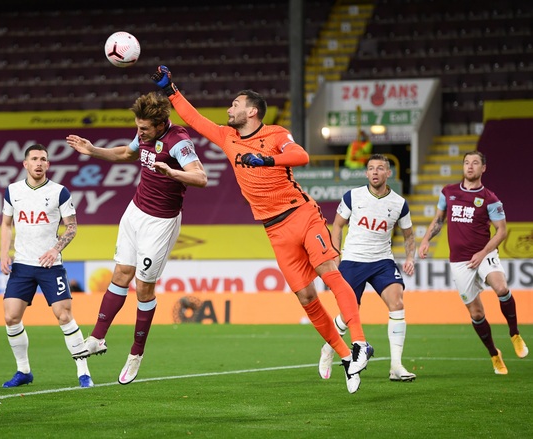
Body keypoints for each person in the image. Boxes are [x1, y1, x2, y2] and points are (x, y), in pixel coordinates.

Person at [151, 65, 373, 393]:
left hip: (302, 214)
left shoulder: (276, 135)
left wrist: (267, 161)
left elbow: (301, 156)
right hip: (274, 229)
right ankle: (344, 358)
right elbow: (195, 120)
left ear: (251, 111)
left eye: (235, 104)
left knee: (329, 271)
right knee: (305, 296)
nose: (229, 109)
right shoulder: (227, 137)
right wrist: (171, 90)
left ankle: (359, 344)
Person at [66, 91, 207, 384]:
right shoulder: (144, 133)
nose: (139, 132)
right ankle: (97, 337)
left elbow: (200, 177)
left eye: (144, 128)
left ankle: (136, 353)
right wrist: (93, 150)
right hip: (135, 212)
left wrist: (172, 173)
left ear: (160, 123)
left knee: (143, 288)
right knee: (120, 274)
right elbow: (128, 153)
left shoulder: (179, 142)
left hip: (161, 222)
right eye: (138, 126)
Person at [419, 151, 528, 374]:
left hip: (484, 254)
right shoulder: (448, 192)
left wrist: (482, 252)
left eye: (475, 163)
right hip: (459, 263)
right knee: (476, 314)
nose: (470, 166)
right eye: (467, 162)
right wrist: (425, 240)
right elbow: (439, 219)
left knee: (501, 288)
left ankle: (514, 333)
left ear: (483, 168)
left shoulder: (490, 199)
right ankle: (494, 354)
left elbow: (502, 231)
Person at [0, 144, 93, 389]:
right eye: (34, 159)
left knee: (64, 315)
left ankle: (83, 372)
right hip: (21, 264)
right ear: (25, 164)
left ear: (48, 164)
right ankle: (23, 371)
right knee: (11, 317)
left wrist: (55, 249)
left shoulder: (59, 192)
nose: (39, 163)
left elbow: (72, 227)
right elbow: (6, 224)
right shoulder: (13, 191)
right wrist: (3, 254)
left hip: (50, 266)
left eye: (43, 159)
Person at [319, 154, 417, 382]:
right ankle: (328, 348)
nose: (375, 172)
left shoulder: (399, 203)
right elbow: (337, 226)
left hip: (383, 260)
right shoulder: (353, 196)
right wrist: (336, 255)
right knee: (348, 314)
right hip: (354, 260)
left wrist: (410, 257)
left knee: (397, 303)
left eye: (380, 168)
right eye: (371, 168)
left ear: (388, 173)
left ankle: (396, 366)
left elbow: (409, 235)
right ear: (366, 173)